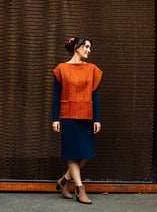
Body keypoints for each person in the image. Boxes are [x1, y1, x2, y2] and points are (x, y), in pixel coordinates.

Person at [52, 37, 103, 204]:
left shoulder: (92, 69)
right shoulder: (61, 69)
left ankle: (64, 181)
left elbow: (94, 95)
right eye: (86, 46)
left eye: (90, 47)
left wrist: (97, 119)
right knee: (73, 154)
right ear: (77, 47)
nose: (89, 50)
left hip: (87, 115)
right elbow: (56, 96)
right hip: (68, 116)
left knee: (86, 153)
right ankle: (80, 189)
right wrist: (55, 118)